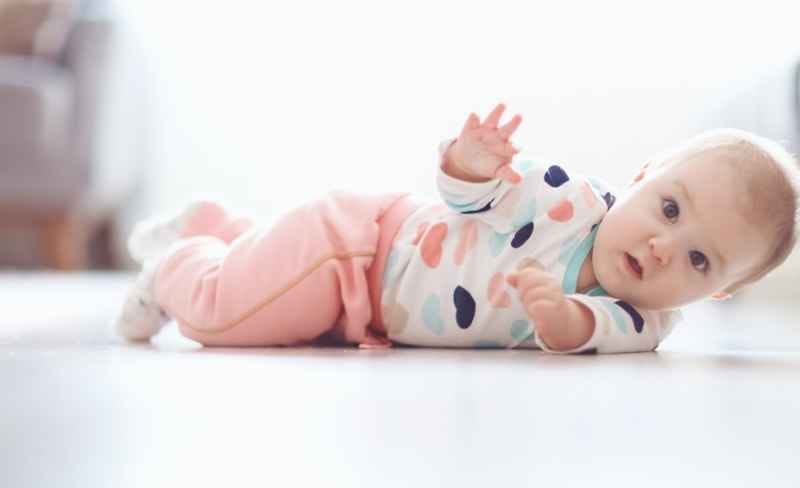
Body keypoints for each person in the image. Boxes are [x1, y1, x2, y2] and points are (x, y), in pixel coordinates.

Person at [114, 103, 800, 354]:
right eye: (670, 210)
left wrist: (561, 316)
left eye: (701, 260)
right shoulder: (567, 201)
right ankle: (179, 265)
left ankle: (222, 228)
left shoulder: (644, 320)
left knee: (264, 279)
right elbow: (474, 197)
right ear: (644, 175)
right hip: (355, 251)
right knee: (221, 316)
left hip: (364, 308)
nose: (663, 247)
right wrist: (470, 165)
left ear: (720, 292)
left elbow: (580, 332)